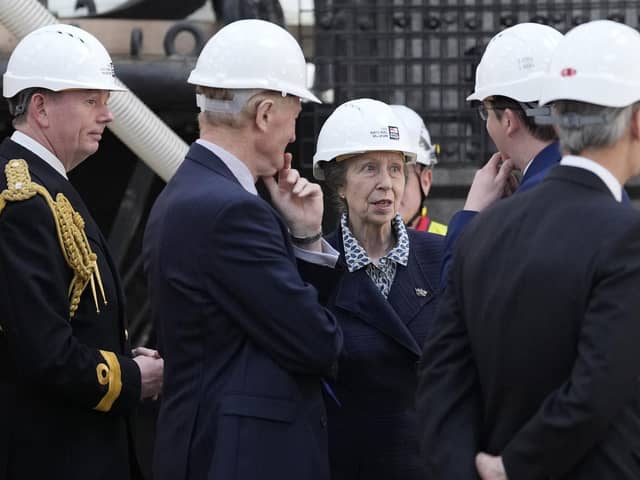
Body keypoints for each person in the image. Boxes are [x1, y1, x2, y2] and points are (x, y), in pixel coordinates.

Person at [417, 19, 640, 479]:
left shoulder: (480, 229)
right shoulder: (626, 234)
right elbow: (596, 389)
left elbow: (442, 379)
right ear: (636, 121)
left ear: (556, 116)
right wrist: (511, 468)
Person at [143, 19, 343, 480]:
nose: (294, 134)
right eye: (295, 116)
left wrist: (303, 232)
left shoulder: (194, 194)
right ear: (266, 113)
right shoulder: (232, 212)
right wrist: (310, 242)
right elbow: (316, 342)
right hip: (239, 459)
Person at [0, 24, 163, 480]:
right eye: (92, 100)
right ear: (40, 107)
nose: (107, 115)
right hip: (53, 454)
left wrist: (124, 355)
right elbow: (43, 352)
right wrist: (132, 379)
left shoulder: (48, 185)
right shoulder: (23, 198)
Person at [295, 98, 444, 480]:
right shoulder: (316, 264)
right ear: (339, 185)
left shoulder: (441, 258)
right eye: (369, 168)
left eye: (396, 168)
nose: (386, 183)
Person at [440, 23, 563, 283]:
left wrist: (471, 214)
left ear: (508, 121)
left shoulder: (526, 209)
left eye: (486, 112)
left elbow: (455, 299)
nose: (486, 125)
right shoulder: (598, 180)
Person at [392, 104, 447, 235]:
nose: (387, 187)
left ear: (426, 180)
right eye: (372, 170)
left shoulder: (450, 246)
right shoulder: (340, 249)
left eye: (399, 174)